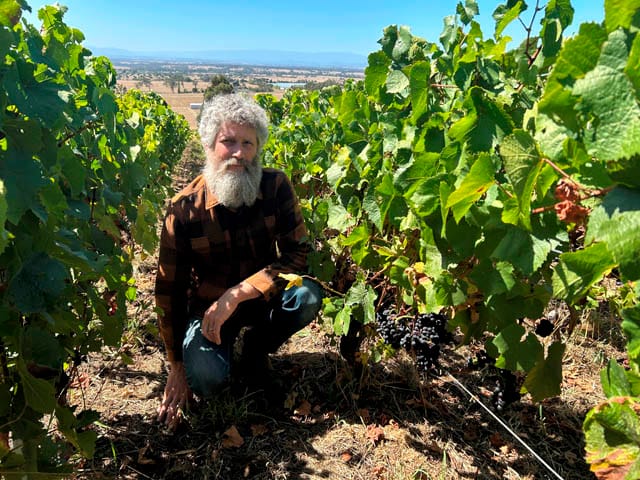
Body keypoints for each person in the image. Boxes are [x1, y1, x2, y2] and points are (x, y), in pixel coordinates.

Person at [154, 93, 323, 429]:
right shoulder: (184, 208)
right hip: (208, 314)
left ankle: (254, 350)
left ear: (258, 148)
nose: (239, 153)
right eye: (228, 141)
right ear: (208, 145)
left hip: (261, 300)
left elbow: (299, 254)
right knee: (207, 380)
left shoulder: (276, 187)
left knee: (307, 295)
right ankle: (219, 354)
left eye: (248, 143)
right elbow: (168, 291)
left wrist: (238, 294)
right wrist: (176, 365)